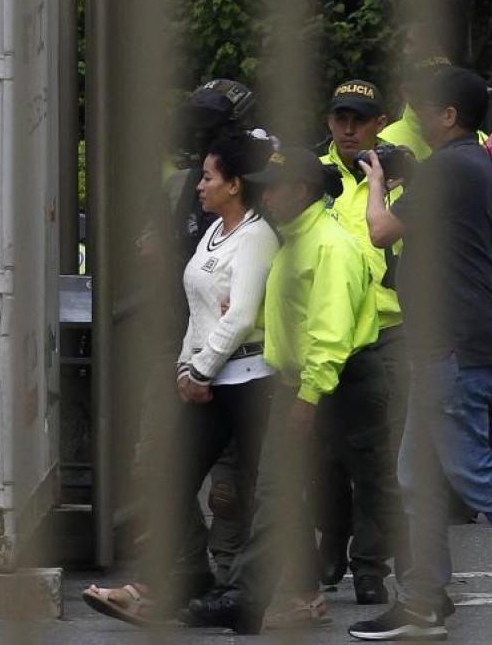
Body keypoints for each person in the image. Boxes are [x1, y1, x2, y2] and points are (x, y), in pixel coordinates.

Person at [350, 68, 492, 641]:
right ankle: (424, 602)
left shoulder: (449, 167)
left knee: (471, 471)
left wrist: (379, 179)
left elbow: (380, 231)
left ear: (449, 115)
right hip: (454, 338)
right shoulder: (473, 165)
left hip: (450, 342)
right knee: (416, 473)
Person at [181, 147, 381, 634]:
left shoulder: (329, 245)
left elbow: (330, 334)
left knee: (310, 489)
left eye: (275, 186)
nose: (265, 194)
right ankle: (287, 591)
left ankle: (246, 596)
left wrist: (308, 397)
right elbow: (288, 318)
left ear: (303, 191)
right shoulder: (294, 242)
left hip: (334, 383)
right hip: (304, 381)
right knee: (282, 491)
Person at [81, 133, 278, 625]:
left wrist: (201, 368)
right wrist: (184, 367)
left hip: (251, 382)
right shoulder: (214, 233)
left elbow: (241, 316)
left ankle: (262, 595)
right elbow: (201, 308)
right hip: (210, 380)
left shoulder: (256, 236)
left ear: (234, 185)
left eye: (209, 178)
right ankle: (173, 580)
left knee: (266, 493)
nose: (199, 187)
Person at [314, 79, 409, 605]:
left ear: (380, 122)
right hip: (328, 332)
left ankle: (370, 563)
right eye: (340, 117)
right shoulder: (312, 176)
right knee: (324, 453)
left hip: (389, 329)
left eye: (360, 119)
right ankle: (331, 546)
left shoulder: (401, 175)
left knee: (378, 459)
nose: (349, 128)